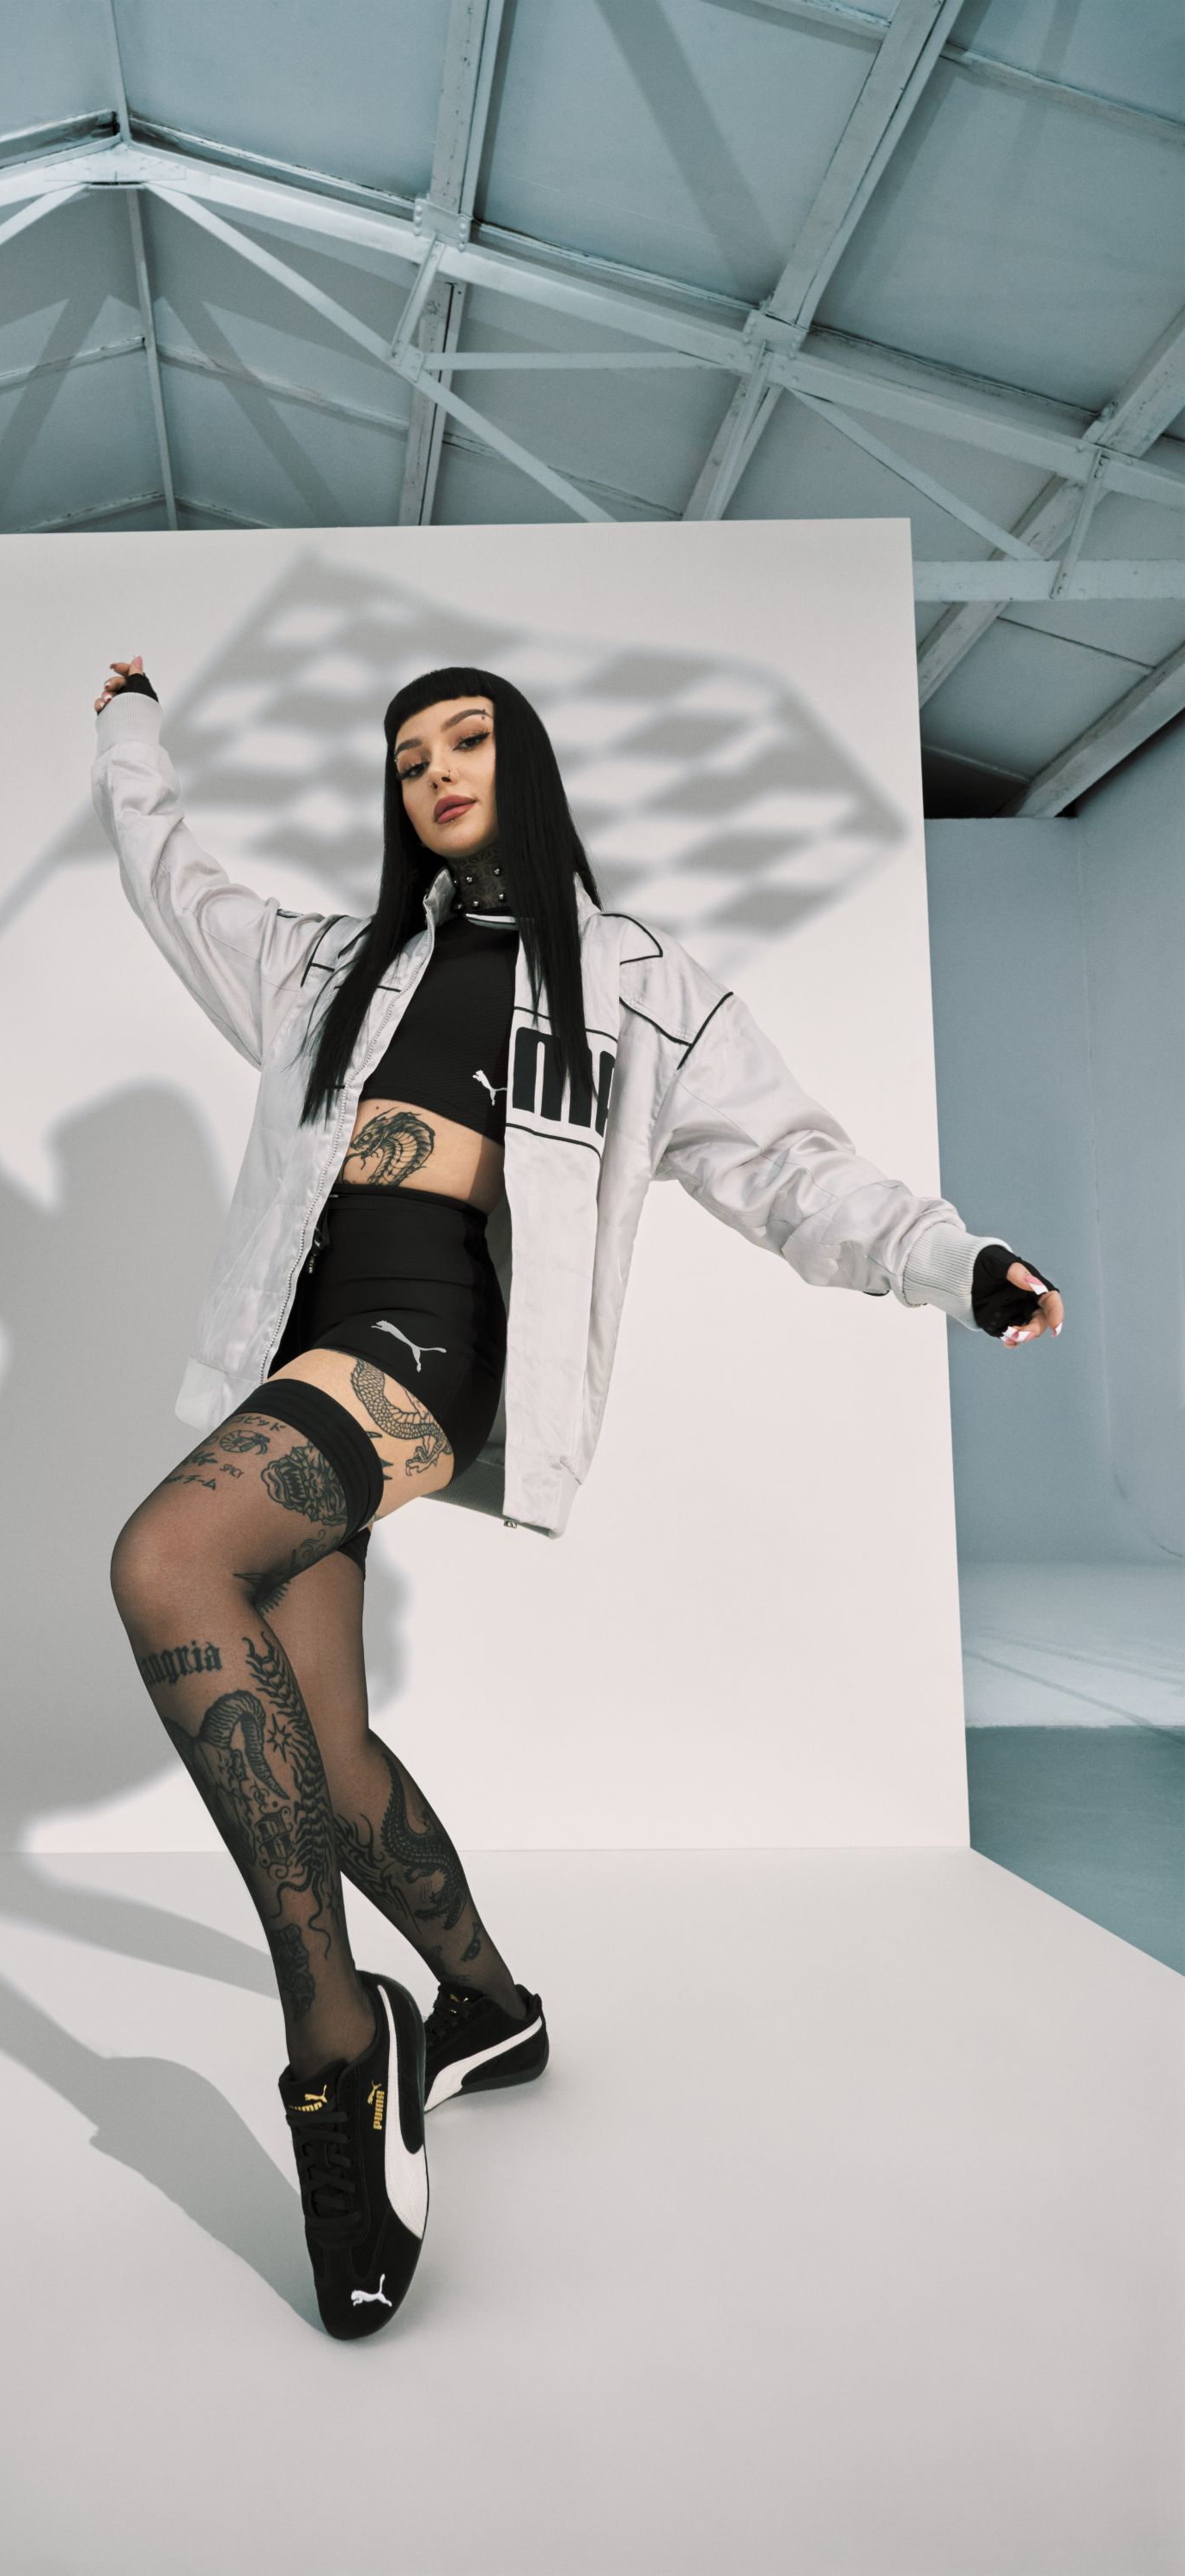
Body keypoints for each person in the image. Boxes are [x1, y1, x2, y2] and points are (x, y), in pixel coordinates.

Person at [92, 650, 1060, 2340]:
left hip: (429, 1354)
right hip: (302, 1364)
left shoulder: (631, 980)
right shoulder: (330, 964)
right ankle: (491, 2006)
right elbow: (175, 885)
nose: (437, 773)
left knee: (168, 1559)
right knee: (327, 1752)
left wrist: (952, 1261)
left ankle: (338, 2043)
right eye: (409, 757)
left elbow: (788, 1167)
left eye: (467, 739)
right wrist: (129, 733)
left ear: (523, 761)